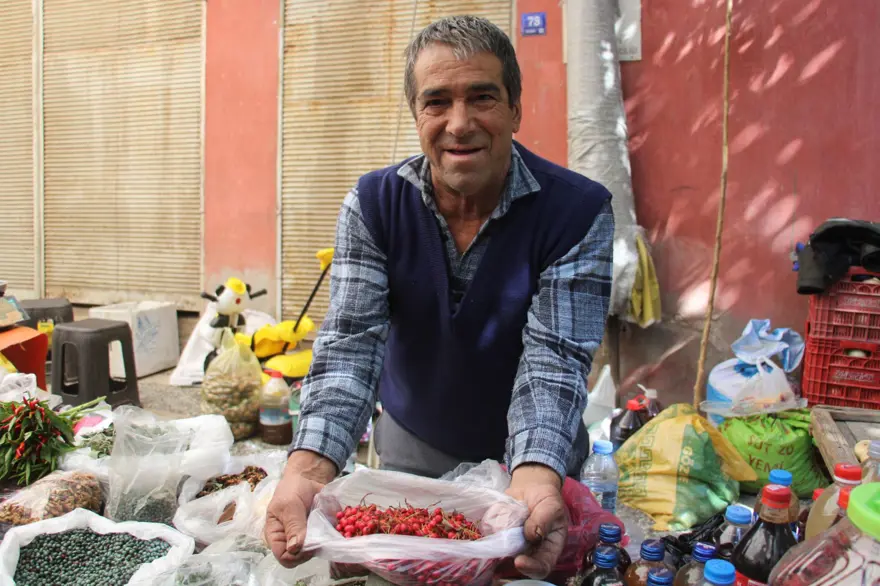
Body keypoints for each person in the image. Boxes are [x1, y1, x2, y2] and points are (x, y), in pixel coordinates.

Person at [264, 15, 614, 580]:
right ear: (416, 114)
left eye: (483, 97)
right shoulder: (374, 204)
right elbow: (351, 344)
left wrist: (534, 476)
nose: (459, 123)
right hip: (411, 450)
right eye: (437, 102)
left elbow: (556, 359)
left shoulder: (576, 212)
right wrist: (308, 470)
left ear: (516, 109)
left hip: (530, 464)